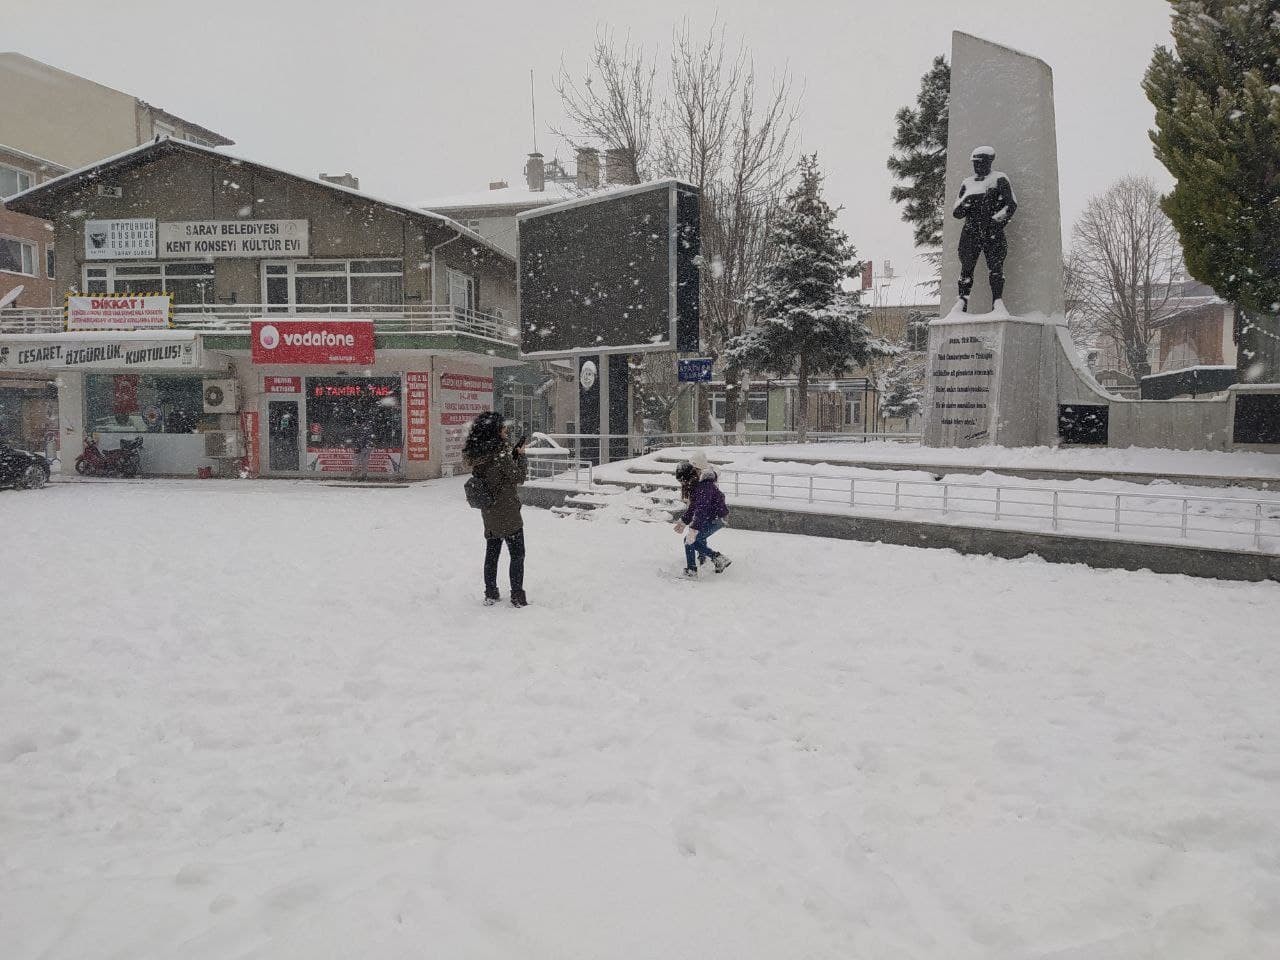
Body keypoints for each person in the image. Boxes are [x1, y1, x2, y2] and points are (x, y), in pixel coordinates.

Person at [463, 411, 529, 607]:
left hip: (489, 511)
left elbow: (495, 475)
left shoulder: (480, 454)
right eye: (503, 427)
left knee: (492, 554)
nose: (506, 430)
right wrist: (521, 457)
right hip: (507, 511)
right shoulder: (500, 454)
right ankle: (517, 596)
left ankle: (490, 592)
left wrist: (511, 455)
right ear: (495, 431)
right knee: (517, 554)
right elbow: (518, 477)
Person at [953, 145, 1018, 312]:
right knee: (966, 269)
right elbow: (957, 212)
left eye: (980, 162)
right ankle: (962, 303)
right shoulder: (967, 183)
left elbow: (1011, 205)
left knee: (996, 269)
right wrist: (968, 200)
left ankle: (997, 302)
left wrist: (996, 222)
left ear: (989, 162)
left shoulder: (999, 179)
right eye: (975, 163)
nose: (977, 166)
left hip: (992, 232)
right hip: (970, 232)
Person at [673, 450, 731, 578]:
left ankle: (713, 560)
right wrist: (683, 521)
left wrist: (693, 530)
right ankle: (703, 559)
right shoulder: (698, 485)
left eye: (683, 481)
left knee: (690, 540)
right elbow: (693, 507)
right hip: (712, 516)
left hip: (717, 518)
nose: (683, 484)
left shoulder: (703, 486)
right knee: (694, 539)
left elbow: (701, 510)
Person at [351, 409, 376, 481]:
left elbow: (357, 438)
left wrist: (357, 446)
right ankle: (363, 476)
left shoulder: (357, 427)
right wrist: (370, 444)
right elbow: (369, 437)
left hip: (361, 447)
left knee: (357, 462)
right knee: (364, 462)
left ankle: (356, 476)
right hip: (366, 447)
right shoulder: (367, 427)